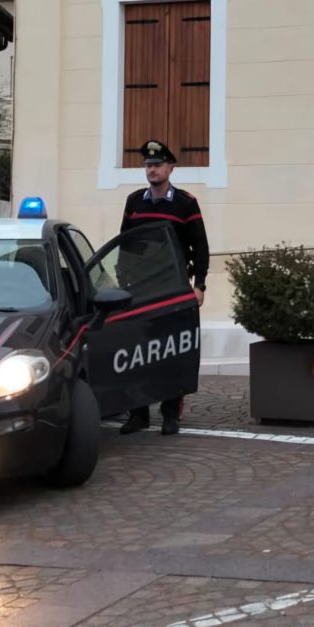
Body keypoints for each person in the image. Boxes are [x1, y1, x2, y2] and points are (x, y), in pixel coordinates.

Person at [118, 139, 209, 436]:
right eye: (148, 165)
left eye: (157, 165)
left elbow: (200, 246)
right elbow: (125, 243)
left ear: (171, 168)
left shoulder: (185, 203)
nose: (152, 170)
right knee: (137, 351)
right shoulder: (134, 201)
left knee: (171, 351)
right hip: (140, 289)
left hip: (172, 288)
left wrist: (199, 285)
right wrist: (122, 281)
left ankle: (170, 414)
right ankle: (138, 413)